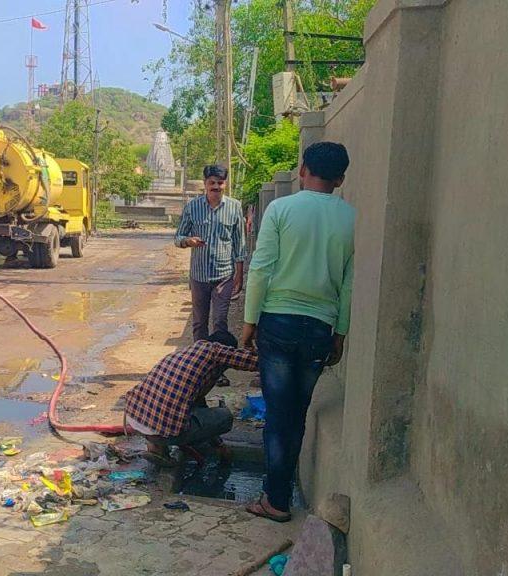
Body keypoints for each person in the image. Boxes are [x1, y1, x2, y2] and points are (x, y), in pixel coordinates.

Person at [240, 142, 355, 523]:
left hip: (277, 322)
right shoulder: (351, 219)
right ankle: (280, 493)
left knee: (277, 413)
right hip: (320, 327)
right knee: (298, 412)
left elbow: (260, 268)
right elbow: (348, 283)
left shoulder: (281, 209)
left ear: (303, 170)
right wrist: (340, 332)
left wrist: (249, 321)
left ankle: (275, 499)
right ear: (340, 179)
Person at [123, 330, 258, 466]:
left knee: (171, 409)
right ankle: (163, 443)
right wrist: (219, 445)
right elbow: (255, 362)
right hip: (163, 429)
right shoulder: (215, 352)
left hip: (134, 418)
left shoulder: (182, 354)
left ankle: (156, 447)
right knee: (225, 416)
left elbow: (198, 404)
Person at [175, 165, 246, 341]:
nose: (216, 186)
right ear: (205, 183)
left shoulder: (235, 207)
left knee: (220, 321)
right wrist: (188, 241)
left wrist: (239, 273)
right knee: (199, 322)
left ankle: (217, 364)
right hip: (199, 276)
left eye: (220, 183)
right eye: (212, 182)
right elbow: (178, 237)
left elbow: (240, 243)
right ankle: (199, 362)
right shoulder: (192, 207)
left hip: (224, 276)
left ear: (225, 184)